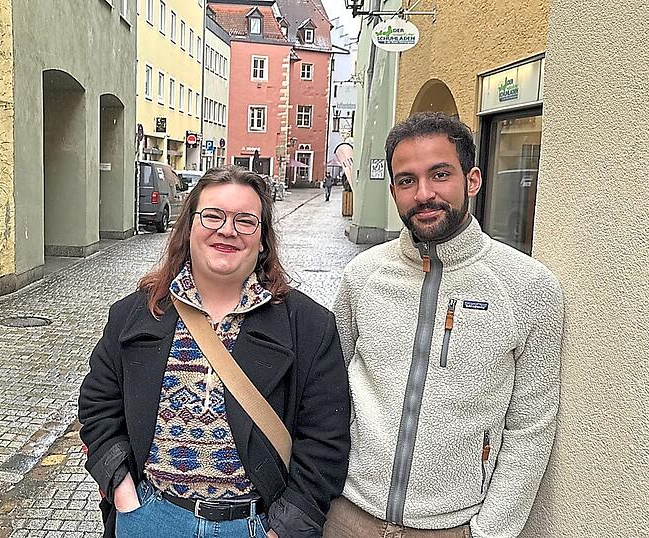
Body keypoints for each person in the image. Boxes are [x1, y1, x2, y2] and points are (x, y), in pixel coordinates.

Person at [79, 166, 351, 538]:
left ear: (263, 239)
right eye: (213, 216)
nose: (227, 230)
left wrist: (283, 531)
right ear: (189, 226)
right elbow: (97, 405)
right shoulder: (135, 314)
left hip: (255, 526)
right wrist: (125, 495)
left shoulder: (309, 326)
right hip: (151, 517)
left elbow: (324, 441)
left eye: (245, 221)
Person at [327, 112, 564, 537]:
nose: (424, 194)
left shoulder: (529, 287)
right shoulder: (362, 276)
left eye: (440, 175)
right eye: (406, 180)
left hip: (453, 526)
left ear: (471, 181)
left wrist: (487, 532)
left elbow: (532, 426)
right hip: (347, 516)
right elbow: (326, 392)